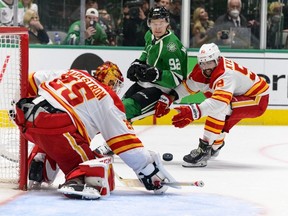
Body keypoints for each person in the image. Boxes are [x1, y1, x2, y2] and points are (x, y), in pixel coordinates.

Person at [13, 61, 175, 199]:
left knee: (55, 140)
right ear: (111, 83)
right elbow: (124, 142)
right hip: (58, 128)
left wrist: (16, 104)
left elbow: (31, 79)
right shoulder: (107, 97)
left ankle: (40, 161)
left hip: (25, 116)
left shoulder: (74, 73)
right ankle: (78, 180)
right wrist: (146, 169)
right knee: (103, 174)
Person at [154, 43, 269, 167]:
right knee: (220, 114)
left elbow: (219, 103)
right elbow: (189, 86)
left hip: (256, 99)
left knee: (220, 108)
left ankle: (204, 149)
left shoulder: (226, 74)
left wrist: (193, 112)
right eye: (202, 63)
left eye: (209, 63)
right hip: (239, 95)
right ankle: (215, 146)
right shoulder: (201, 69)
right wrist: (170, 98)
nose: (206, 67)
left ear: (217, 60)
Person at [122, 6, 187, 121]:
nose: (157, 27)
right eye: (154, 23)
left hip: (161, 89)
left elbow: (177, 78)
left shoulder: (171, 47)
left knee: (125, 108)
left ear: (167, 23)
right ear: (149, 23)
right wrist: (137, 63)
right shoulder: (149, 35)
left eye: (161, 23)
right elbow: (146, 51)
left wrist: (158, 74)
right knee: (118, 105)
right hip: (145, 83)